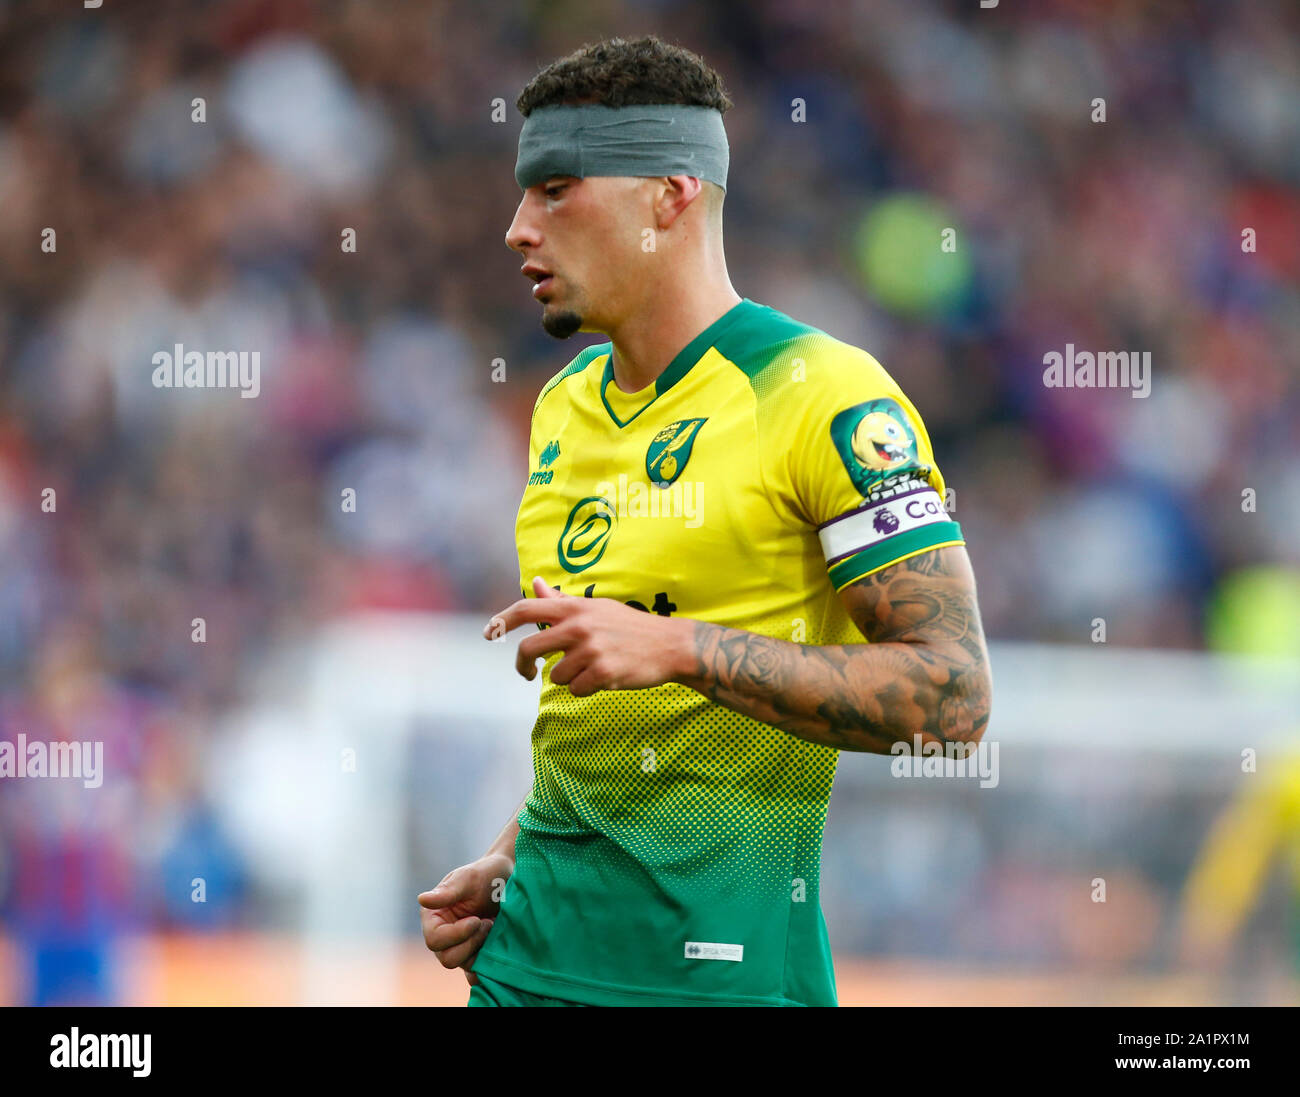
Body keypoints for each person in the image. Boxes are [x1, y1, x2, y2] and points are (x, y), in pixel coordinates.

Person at [419, 35, 991, 1007]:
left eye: (555, 188)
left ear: (669, 195)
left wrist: (682, 646)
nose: (518, 226)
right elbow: (600, 715)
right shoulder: (560, 407)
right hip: (527, 966)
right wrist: (514, 856)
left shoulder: (823, 394)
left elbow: (952, 698)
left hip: (720, 979)